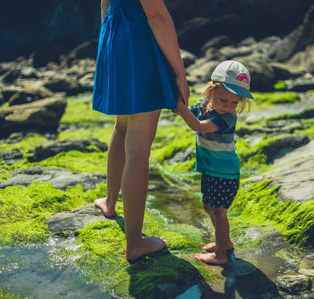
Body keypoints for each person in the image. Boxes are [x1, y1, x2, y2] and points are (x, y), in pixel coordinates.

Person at [92, 0, 189, 262]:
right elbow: (156, 15)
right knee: (139, 148)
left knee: (122, 126)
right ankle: (135, 242)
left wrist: (109, 45)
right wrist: (180, 73)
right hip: (138, 41)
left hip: (114, 35)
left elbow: (105, 4)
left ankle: (110, 204)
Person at [173, 60, 253, 265]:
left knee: (220, 211)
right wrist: (178, 104)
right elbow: (186, 110)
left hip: (224, 173)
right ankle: (223, 242)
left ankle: (221, 255)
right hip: (211, 170)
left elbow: (197, 126)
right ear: (211, 90)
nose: (228, 106)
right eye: (224, 99)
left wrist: (181, 109)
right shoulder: (202, 104)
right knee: (208, 206)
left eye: (234, 103)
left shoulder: (226, 119)